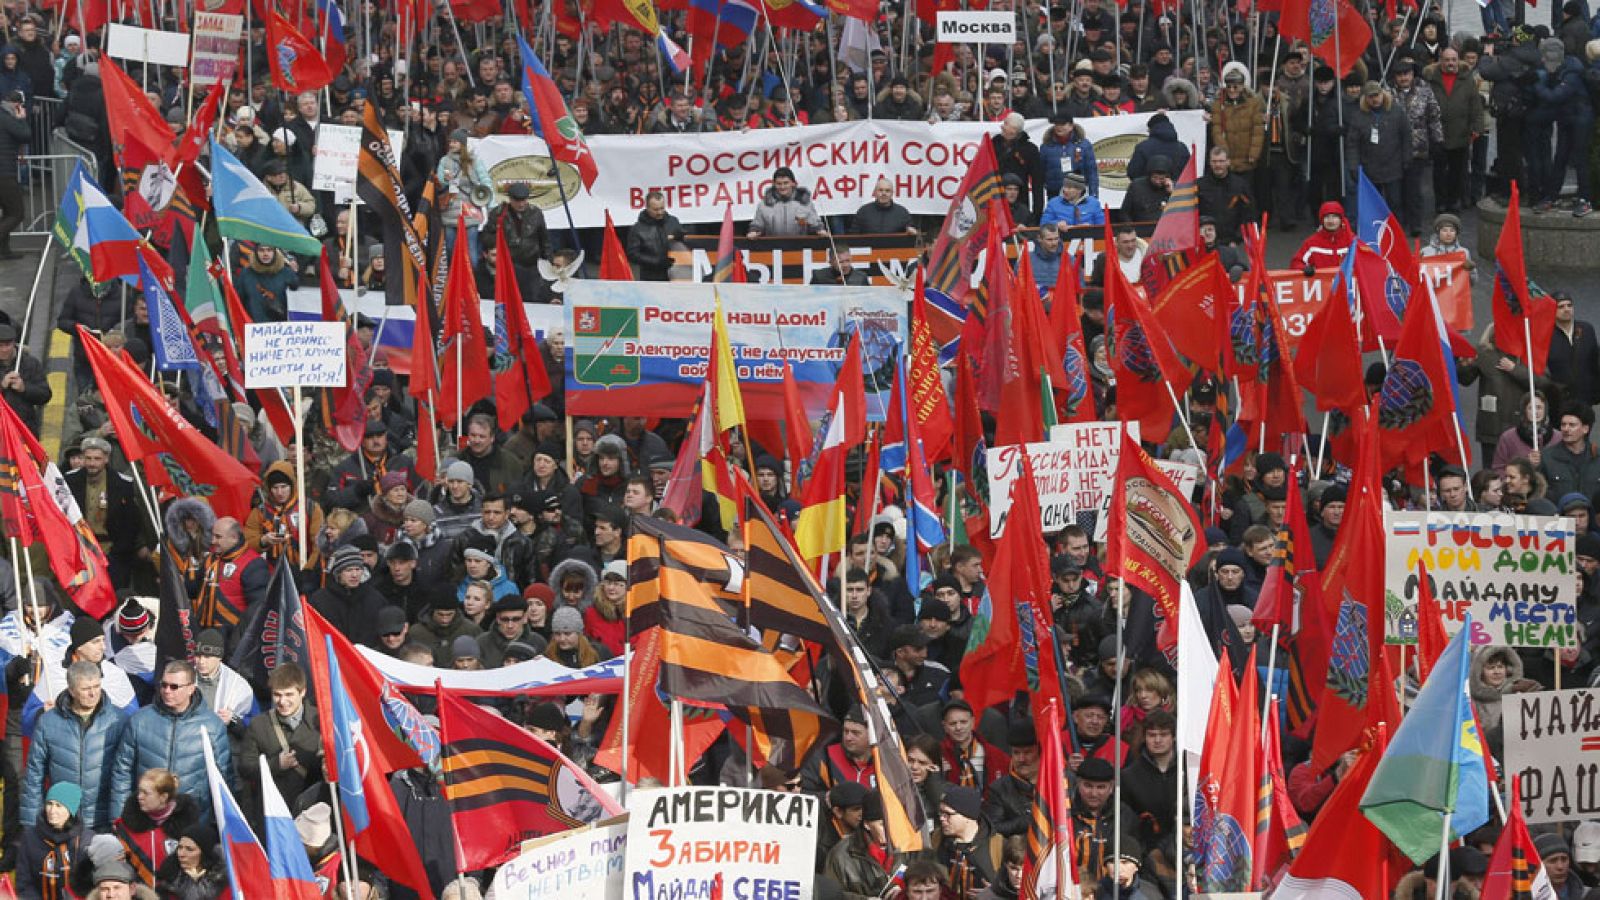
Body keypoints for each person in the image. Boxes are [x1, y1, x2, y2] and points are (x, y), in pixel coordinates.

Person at [109, 661, 232, 822]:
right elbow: (122, 772)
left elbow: (224, 777)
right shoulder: (140, 720)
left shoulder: (212, 725)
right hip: (146, 819)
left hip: (191, 820)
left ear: (191, 689)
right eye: (164, 685)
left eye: (174, 687)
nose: (167, 691)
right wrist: (119, 819)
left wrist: (220, 824)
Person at [23, 661, 128, 833]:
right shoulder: (49, 722)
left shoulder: (118, 720)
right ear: (71, 690)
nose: (93, 693)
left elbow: (124, 775)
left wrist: (119, 820)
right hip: (63, 820)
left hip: (103, 821)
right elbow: (34, 774)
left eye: (97, 686)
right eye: (86, 689)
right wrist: (31, 825)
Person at [238, 664, 322, 818]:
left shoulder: (321, 723)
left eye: (289, 694)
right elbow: (245, 768)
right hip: (273, 813)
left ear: (302, 692)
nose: (282, 701)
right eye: (277, 695)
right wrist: (276, 764)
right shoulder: (259, 725)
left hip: (312, 814)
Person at [193, 517, 268, 647]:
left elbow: (257, 609)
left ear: (234, 537)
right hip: (204, 633)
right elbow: (193, 590)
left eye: (218, 537)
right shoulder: (210, 559)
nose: (212, 541)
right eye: (213, 536)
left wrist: (238, 641)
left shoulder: (253, 563)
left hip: (232, 638)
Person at [1345, 81, 1411, 213]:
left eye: (1377, 95)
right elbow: (1353, 144)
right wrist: (1353, 167)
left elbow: (1406, 136)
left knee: (1395, 202)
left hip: (1393, 166)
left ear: (1382, 94)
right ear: (1365, 98)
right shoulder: (1358, 117)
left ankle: (1396, 229)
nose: (1374, 99)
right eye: (1370, 96)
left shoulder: (1397, 111)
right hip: (1370, 168)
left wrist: (1407, 158)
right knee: (1373, 205)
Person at [16, 782, 88, 900]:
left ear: (71, 810)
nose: (52, 810)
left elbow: (90, 886)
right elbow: (24, 883)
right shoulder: (29, 837)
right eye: (49, 804)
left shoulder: (86, 839)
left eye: (59, 805)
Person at [0, 322, 52, 436]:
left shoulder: (30, 363)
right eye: (0, 346)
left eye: (7, 345)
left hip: (25, 429)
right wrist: (2, 386)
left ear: (14, 343)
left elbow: (45, 395)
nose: (4, 350)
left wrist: (25, 389)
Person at [991, 113, 1045, 218]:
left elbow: (1037, 182)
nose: (1002, 126)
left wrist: (1037, 213)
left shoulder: (1030, 149)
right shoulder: (993, 145)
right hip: (995, 200)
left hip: (1020, 202)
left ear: (1014, 130)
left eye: (1006, 124)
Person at [748, 166, 825, 237]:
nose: (782, 187)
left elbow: (815, 224)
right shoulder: (763, 205)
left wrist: (819, 230)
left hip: (800, 247)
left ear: (793, 183)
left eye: (786, 183)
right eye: (779, 184)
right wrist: (754, 231)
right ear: (774, 184)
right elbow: (757, 225)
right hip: (772, 248)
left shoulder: (805, 203)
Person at [624, 190, 684, 281]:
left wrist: (681, 236)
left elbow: (686, 244)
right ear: (647, 208)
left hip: (676, 275)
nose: (660, 212)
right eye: (655, 209)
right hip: (650, 277)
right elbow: (632, 254)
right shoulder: (637, 229)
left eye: (662, 208)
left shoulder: (673, 221)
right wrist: (657, 261)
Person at [1039, 113, 1099, 198]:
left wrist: (1094, 194)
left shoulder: (1084, 145)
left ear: (1071, 126)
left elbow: (1091, 171)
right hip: (1054, 194)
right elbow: (1041, 172)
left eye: (1062, 124)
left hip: (1078, 193)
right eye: (1056, 124)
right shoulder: (1046, 147)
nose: (1059, 127)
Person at [0, 89, 29, 259]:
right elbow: (25, 135)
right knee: (17, 213)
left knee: (7, 210)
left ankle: (4, 251)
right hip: (4, 172)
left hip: (4, 171)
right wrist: (22, 120)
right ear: (17, 105)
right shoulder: (7, 118)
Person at [1292, 201, 1355, 272]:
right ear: (1322, 220)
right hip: (1321, 283)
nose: (1330, 221)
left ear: (1341, 220)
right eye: (1327, 217)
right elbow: (1296, 263)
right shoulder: (1312, 243)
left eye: (1334, 217)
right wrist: (1304, 268)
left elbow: (1365, 262)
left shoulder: (1352, 241)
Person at [1039, 172, 1105, 229]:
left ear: (1080, 190)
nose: (1065, 190)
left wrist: (1091, 227)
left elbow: (1102, 225)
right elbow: (1043, 224)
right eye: (1064, 186)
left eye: (1069, 188)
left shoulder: (1093, 203)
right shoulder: (1053, 203)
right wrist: (1056, 224)